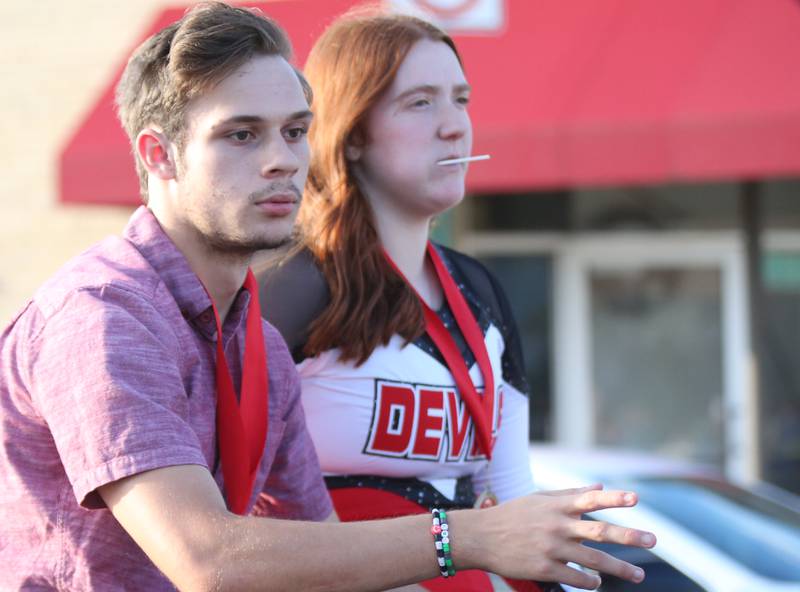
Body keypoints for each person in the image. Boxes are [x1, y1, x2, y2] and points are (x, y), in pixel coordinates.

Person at [0, 3, 655, 591]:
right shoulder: (104, 318)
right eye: (241, 134)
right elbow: (208, 560)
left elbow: (322, 560)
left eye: (294, 131)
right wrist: (468, 537)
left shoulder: (249, 337)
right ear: (160, 155)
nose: (283, 159)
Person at [258, 8, 653, 592]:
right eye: (420, 102)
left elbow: (511, 486)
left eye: (461, 99)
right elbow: (227, 514)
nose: (455, 126)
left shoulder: (481, 290)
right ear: (354, 130)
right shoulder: (292, 286)